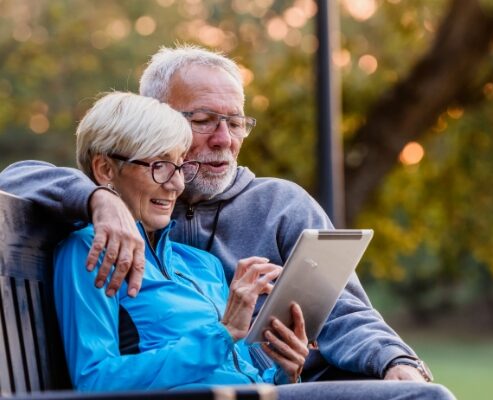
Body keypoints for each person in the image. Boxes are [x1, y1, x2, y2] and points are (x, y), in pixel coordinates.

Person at [0, 44, 432, 382]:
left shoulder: (277, 208)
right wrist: (99, 199)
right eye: (204, 120)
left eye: (237, 122)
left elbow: (346, 313)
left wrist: (392, 361)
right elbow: (19, 177)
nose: (224, 139)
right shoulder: (108, 216)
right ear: (155, 120)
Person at [54, 91, 454, 400]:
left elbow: (242, 367)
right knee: (420, 397)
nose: (175, 184)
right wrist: (224, 331)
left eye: (180, 166)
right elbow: (95, 383)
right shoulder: (88, 253)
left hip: (258, 394)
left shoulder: (200, 264)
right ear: (106, 169)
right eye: (159, 166)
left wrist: (284, 367)